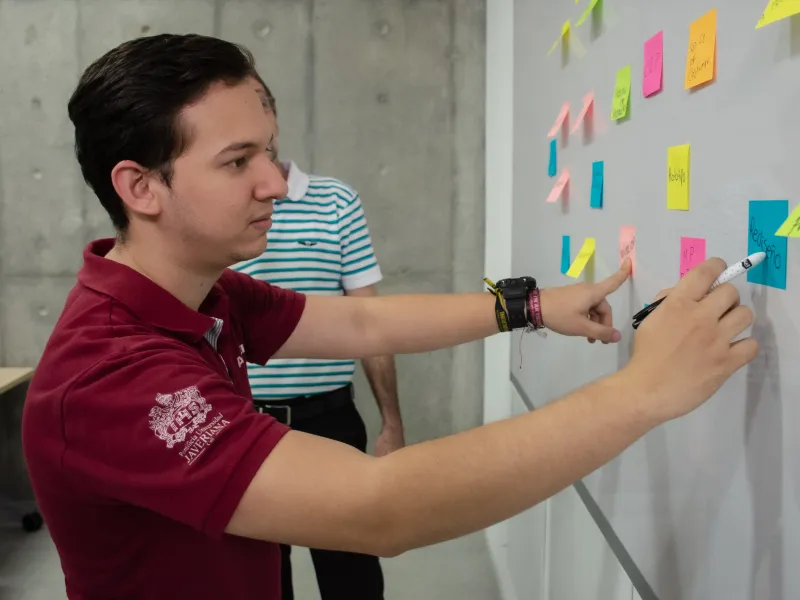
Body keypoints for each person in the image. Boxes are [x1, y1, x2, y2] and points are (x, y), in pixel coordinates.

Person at [21, 34, 758, 600]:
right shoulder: (109, 375)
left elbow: (363, 325)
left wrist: (528, 305)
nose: (276, 182)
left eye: (271, 152)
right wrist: (644, 391)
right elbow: (382, 509)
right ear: (141, 187)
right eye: (238, 160)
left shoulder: (208, 294)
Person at [231, 82, 400, 599]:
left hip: (328, 419)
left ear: (273, 116)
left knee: (352, 576)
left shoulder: (335, 200)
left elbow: (369, 319)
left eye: (258, 104)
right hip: (244, 420)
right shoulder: (216, 207)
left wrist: (391, 423)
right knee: (262, 580)